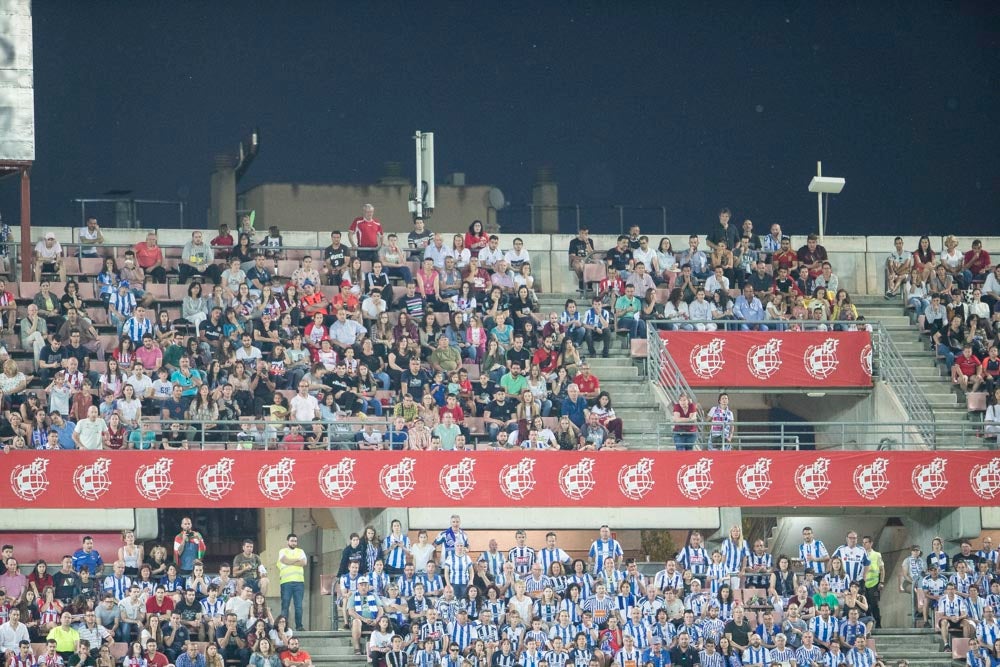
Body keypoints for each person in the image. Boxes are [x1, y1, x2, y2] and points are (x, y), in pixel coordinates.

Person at [277, 534, 307, 631]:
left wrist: (289, 561)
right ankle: (284, 627)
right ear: (287, 541)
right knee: (285, 605)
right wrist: (297, 560)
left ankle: (299, 626)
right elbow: (283, 560)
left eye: (295, 541)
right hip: (286, 583)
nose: (294, 543)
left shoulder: (300, 551)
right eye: (292, 541)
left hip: (299, 582)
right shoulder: (282, 551)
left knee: (298, 606)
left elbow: (304, 562)